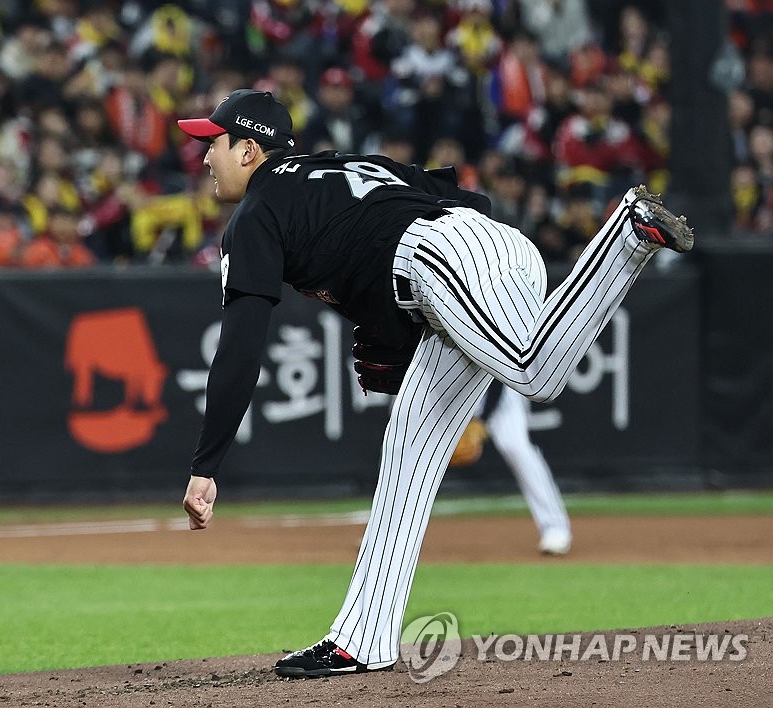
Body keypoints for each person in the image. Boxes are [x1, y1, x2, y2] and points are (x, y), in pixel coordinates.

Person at [176, 89, 692, 678]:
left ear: (248, 150)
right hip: (474, 247)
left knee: (533, 372)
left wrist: (207, 463)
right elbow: (452, 193)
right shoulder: (336, 165)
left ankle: (624, 235)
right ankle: (363, 638)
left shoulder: (256, 214)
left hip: (437, 259)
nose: (203, 157)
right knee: (410, 448)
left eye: (210, 144)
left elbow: (241, 346)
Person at [473, 380, 572, 555]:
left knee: (515, 447)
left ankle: (554, 527)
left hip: (495, 380)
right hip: (452, 384)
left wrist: (483, 419)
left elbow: (496, 376)